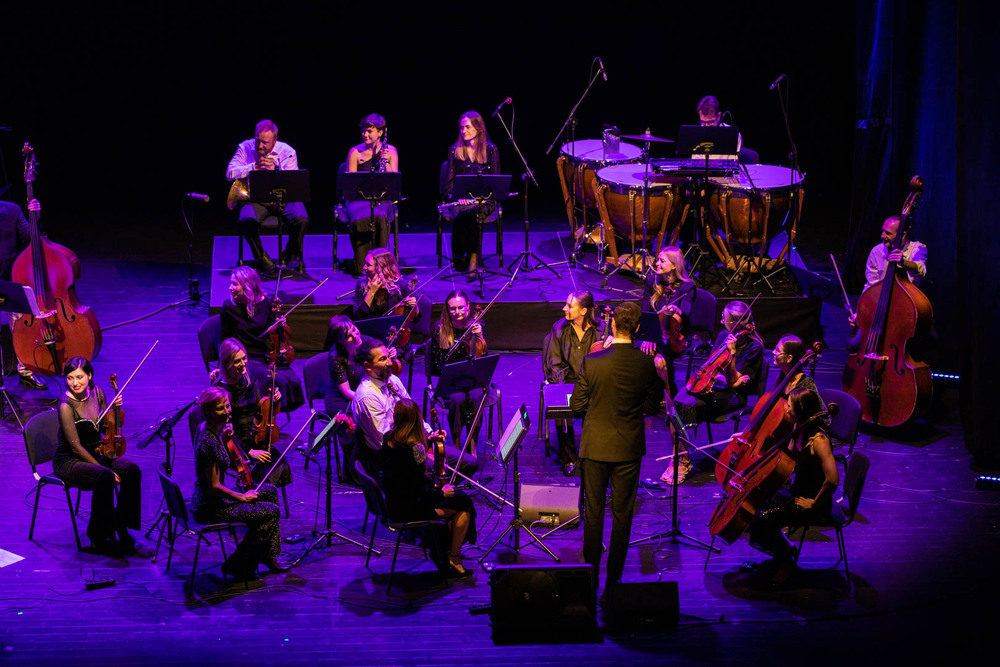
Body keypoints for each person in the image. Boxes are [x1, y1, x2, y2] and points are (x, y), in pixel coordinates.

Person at [570, 302, 663, 596]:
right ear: (637, 328)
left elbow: (576, 406)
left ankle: (591, 577)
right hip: (627, 448)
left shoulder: (593, 361)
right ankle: (614, 582)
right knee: (623, 515)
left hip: (595, 446)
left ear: (613, 326)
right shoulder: (645, 364)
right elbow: (650, 407)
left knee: (594, 512)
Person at [191, 386, 290, 580]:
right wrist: (242, 497)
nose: (227, 411)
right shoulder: (207, 441)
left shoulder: (212, 429)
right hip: (211, 506)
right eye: (221, 408)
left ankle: (268, 555)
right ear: (209, 412)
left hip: (215, 499)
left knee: (269, 490)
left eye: (227, 405)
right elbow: (214, 487)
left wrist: (226, 438)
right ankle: (238, 563)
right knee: (271, 511)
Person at [745, 386, 839, 587]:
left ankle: (785, 562)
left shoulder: (819, 441)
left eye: (789, 406)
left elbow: (832, 480)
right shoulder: (800, 430)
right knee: (756, 506)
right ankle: (784, 550)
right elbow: (786, 457)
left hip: (812, 502)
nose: (786, 410)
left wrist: (814, 504)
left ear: (802, 409)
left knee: (764, 519)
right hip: (797, 492)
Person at [664, 300, 764, 485]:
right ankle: (679, 456)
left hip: (734, 397)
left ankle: (683, 462)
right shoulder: (724, 335)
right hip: (714, 387)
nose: (720, 322)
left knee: (686, 405)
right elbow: (715, 367)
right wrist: (719, 378)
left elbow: (734, 382)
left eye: (723, 319)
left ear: (735, 324)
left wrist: (732, 354)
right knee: (676, 403)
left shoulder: (754, 347)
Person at [52, 357, 142, 556]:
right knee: (104, 477)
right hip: (69, 460)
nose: (75, 383)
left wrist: (115, 409)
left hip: (95, 451)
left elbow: (103, 427)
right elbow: (75, 447)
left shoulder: (97, 392)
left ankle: (121, 524)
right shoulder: (66, 406)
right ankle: (99, 538)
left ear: (89, 376)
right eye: (69, 378)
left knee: (132, 471)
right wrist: (105, 468)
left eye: (79, 377)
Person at [379, 398, 476, 577]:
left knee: (459, 500)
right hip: (410, 509)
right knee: (464, 505)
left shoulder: (388, 438)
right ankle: (453, 556)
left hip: (393, 503)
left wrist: (428, 441)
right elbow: (419, 492)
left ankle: (443, 549)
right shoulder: (416, 450)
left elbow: (405, 473)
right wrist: (442, 492)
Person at [226, 119, 309, 273]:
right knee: (245, 220)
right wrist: (253, 167)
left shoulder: (288, 152)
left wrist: (277, 170)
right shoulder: (245, 148)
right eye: (258, 141)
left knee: (302, 219)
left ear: (274, 141)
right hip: (255, 199)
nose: (260, 146)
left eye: (265, 142)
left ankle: (287, 257)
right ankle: (263, 260)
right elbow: (229, 173)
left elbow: (294, 182)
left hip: (284, 199)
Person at [220, 266, 305, 414]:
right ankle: (262, 419)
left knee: (291, 380)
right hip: (246, 358)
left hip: (267, 355)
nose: (230, 287)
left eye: (235, 284)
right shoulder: (229, 308)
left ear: (247, 286)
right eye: (231, 283)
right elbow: (224, 339)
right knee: (271, 380)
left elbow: (273, 337)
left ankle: (270, 418)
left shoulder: (267, 303)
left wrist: (279, 326)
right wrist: (221, 364)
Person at [544, 290, 607, 476]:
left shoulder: (602, 329)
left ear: (583, 311)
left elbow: (605, 361)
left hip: (592, 381)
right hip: (567, 380)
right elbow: (554, 363)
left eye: (570, 306)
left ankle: (595, 456)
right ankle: (569, 458)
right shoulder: (559, 328)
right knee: (561, 408)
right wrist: (562, 389)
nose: (564, 308)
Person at [213, 338, 291, 488]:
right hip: (233, 445)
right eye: (237, 361)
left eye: (244, 359)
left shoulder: (248, 380)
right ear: (226, 364)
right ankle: (256, 502)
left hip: (255, 438)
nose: (243, 364)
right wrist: (250, 452)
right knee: (263, 473)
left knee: (280, 462)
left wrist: (274, 399)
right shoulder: (220, 392)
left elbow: (261, 407)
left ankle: (264, 503)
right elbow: (224, 431)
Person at [429, 289, 488, 453]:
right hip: (451, 382)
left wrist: (481, 337)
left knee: (476, 398)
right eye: (453, 308)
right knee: (457, 399)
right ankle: (455, 443)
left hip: (473, 380)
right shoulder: (439, 329)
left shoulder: (477, 326)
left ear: (468, 306)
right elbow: (439, 363)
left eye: (461, 307)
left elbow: (484, 357)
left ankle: (472, 444)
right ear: (447, 309)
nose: (457, 312)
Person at [442, 111, 501, 272]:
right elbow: (449, 184)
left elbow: (495, 181)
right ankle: (468, 258)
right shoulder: (455, 150)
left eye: (467, 127)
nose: (464, 131)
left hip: (485, 199)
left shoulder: (491, 150)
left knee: (477, 211)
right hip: (461, 200)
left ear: (478, 128)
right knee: (468, 213)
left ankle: (472, 257)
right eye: (461, 128)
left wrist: (481, 199)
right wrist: (458, 197)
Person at [1, 198, 46, 389]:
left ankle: (26, 371)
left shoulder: (11, 210)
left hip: (9, 278)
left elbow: (31, 237)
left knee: (21, 326)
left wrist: (35, 216)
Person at [345, 113, 399, 275]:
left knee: (380, 217)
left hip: (382, 198)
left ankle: (382, 265)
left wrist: (386, 162)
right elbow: (350, 185)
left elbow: (394, 181)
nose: (365, 134)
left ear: (380, 133)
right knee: (359, 219)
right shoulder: (355, 152)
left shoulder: (391, 151)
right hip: (358, 199)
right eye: (364, 131)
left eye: (370, 131)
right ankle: (363, 265)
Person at [642, 245, 697, 398]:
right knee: (642, 352)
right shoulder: (652, 281)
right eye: (657, 260)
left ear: (674, 265)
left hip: (675, 335)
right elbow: (646, 311)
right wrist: (650, 336)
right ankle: (655, 395)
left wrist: (676, 311)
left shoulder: (687, 287)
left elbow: (685, 314)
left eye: (662, 261)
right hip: (653, 330)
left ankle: (667, 392)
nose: (657, 264)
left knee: (657, 357)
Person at [862, 215, 927, 292]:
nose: (882, 236)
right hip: (878, 295)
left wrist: (903, 263)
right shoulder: (877, 251)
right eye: (883, 231)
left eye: (888, 233)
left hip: (905, 298)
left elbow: (921, 270)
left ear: (903, 235)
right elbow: (872, 281)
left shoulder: (917, 248)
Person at [352, 248, 417, 321]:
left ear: (381, 269)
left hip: (391, 329)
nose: (364, 267)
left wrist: (415, 307)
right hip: (368, 330)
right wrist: (371, 292)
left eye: (368, 265)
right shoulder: (361, 284)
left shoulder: (400, 285)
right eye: (365, 263)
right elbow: (358, 317)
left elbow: (415, 318)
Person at [695, 95, 743, 160]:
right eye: (703, 122)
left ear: (719, 116)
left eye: (710, 122)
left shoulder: (734, 136)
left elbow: (732, 165)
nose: (706, 126)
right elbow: (696, 162)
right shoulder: (696, 134)